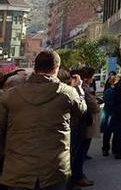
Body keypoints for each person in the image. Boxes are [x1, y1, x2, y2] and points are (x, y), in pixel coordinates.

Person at [0, 50, 87, 190]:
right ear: (56, 68)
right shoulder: (67, 93)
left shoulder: (10, 96)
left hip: (17, 170)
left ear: (35, 67)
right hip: (54, 170)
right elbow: (82, 110)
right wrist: (78, 88)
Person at [69, 67, 100, 189]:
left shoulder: (85, 88)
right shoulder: (80, 89)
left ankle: (78, 175)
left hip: (85, 123)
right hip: (83, 124)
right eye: (91, 77)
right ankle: (77, 176)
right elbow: (85, 106)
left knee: (81, 150)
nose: (92, 80)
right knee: (79, 150)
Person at [100, 74, 118, 157]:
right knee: (113, 132)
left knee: (108, 133)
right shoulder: (111, 91)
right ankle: (112, 149)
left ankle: (106, 149)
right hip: (111, 113)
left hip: (108, 113)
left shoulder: (107, 91)